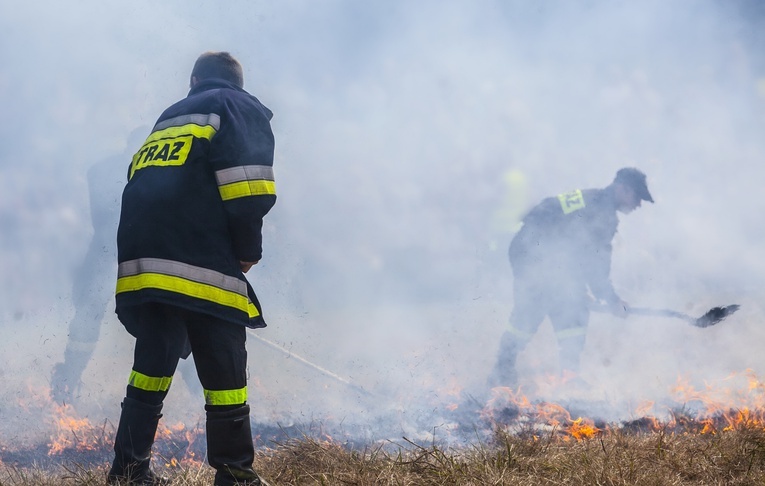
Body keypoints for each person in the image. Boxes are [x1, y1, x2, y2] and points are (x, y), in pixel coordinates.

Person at [107, 51, 277, 486]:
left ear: (193, 79)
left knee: (151, 366)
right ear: (237, 81)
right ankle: (235, 472)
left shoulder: (169, 117)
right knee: (225, 370)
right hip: (199, 261)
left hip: (144, 265)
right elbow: (248, 184)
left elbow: (139, 182)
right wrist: (246, 250)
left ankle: (128, 471)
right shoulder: (237, 106)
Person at [487, 167, 654, 390]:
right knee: (529, 313)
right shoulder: (602, 213)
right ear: (622, 188)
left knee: (572, 309)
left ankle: (568, 377)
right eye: (637, 197)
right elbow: (596, 265)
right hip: (534, 255)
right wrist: (612, 300)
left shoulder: (594, 199)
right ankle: (501, 373)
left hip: (536, 252)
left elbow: (576, 248)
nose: (638, 204)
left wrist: (575, 284)